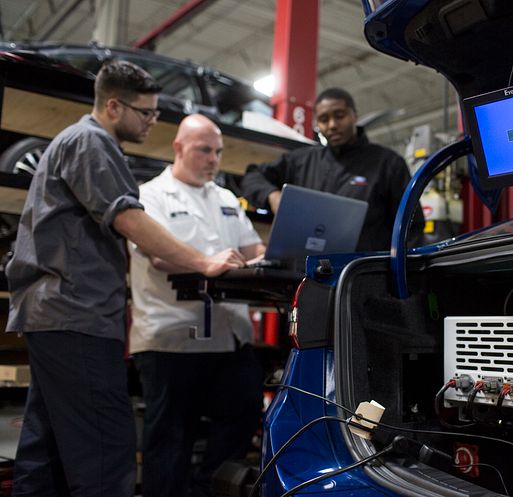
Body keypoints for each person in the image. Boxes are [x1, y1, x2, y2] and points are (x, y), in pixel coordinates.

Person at [5, 60, 246, 497]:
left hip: (54, 315)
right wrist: (203, 262)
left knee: (48, 451)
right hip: (76, 314)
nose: (152, 122)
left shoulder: (77, 141)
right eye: (146, 113)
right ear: (113, 105)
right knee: (105, 453)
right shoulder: (91, 142)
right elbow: (130, 219)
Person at [128, 114, 266, 497]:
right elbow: (158, 255)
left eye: (218, 152)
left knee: (243, 415)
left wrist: (264, 258)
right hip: (172, 339)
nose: (213, 159)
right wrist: (211, 261)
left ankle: (210, 491)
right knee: (170, 441)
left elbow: (255, 249)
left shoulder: (225, 199)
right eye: (204, 150)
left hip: (228, 339)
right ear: (178, 147)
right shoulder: (149, 195)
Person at [240, 87, 423, 252]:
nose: (332, 125)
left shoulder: (388, 163)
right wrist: (272, 196)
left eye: (339, 115)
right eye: (324, 119)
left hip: (362, 275)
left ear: (354, 115)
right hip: (308, 271)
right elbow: (252, 177)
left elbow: (412, 225)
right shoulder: (301, 161)